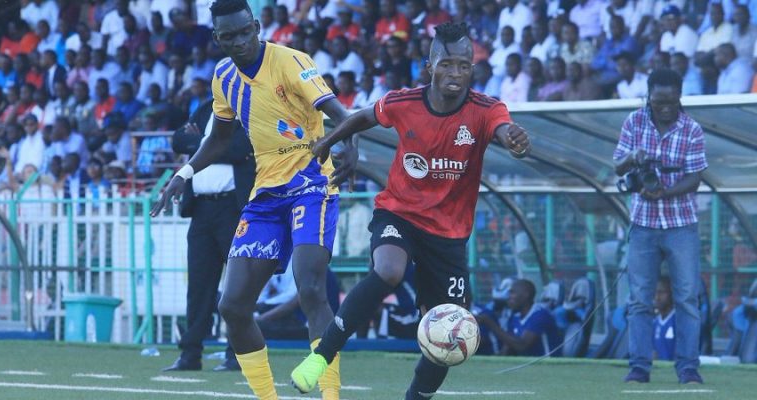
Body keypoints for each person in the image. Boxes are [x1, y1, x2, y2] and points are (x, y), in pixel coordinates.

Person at [290, 22, 531, 399]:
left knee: (450, 328)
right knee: (389, 270)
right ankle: (321, 357)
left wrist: (514, 141)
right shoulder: (404, 102)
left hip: (449, 234)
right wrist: (330, 142)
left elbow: (504, 129)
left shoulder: (486, 109)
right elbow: (362, 117)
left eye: (464, 66)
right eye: (447, 64)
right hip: (399, 213)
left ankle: (415, 397)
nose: (455, 73)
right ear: (429, 67)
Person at [150, 1, 358, 399]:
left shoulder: (291, 61)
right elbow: (218, 139)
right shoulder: (224, 77)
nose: (240, 41)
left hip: (311, 183)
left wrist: (349, 144)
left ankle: (330, 395)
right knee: (232, 306)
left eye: (245, 31)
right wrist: (183, 173)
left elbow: (340, 113)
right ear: (217, 39)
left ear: (257, 26)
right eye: (229, 36)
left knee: (311, 288)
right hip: (265, 195)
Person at [614, 68, 705, 385]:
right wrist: (633, 156)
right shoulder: (634, 122)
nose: (664, 107)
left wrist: (665, 192)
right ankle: (639, 367)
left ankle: (688, 368)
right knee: (640, 299)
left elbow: (695, 179)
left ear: (679, 97)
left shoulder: (692, 129)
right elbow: (617, 165)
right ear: (649, 97)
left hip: (682, 225)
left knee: (687, 298)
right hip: (643, 224)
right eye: (658, 101)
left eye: (670, 101)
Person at [162, 98, 256, 372]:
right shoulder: (206, 108)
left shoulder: (247, 108)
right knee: (199, 286)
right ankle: (190, 354)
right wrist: (212, 145)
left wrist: (201, 145)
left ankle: (237, 354)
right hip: (201, 209)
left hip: (233, 208)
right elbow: (178, 141)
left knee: (238, 285)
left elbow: (241, 148)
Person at [481, 279, 561, 357]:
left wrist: (489, 323)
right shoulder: (515, 317)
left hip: (547, 363)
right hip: (527, 364)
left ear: (526, 294)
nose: (508, 297)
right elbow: (508, 347)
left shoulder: (540, 314)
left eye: (512, 293)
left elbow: (522, 345)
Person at [653, 276, 676, 361]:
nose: (657, 297)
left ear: (671, 294)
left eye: (661, 292)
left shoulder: (679, 321)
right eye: (655, 293)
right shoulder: (654, 323)